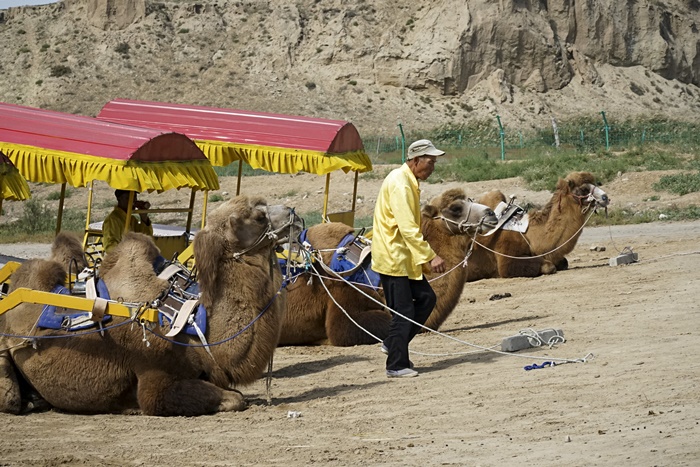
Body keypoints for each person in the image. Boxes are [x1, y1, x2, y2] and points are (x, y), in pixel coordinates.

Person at [371, 139, 446, 378]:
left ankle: (392, 342)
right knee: (403, 311)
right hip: (394, 257)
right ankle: (396, 364)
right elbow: (407, 228)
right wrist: (430, 256)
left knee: (426, 298)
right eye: (430, 161)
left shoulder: (407, 181)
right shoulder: (401, 185)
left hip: (404, 257)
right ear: (415, 161)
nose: (433, 166)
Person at [102, 189, 153, 254]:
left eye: (134, 197)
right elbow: (110, 246)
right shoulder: (113, 219)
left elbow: (146, 238)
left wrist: (144, 218)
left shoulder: (132, 219)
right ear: (119, 199)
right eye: (128, 198)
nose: (133, 201)